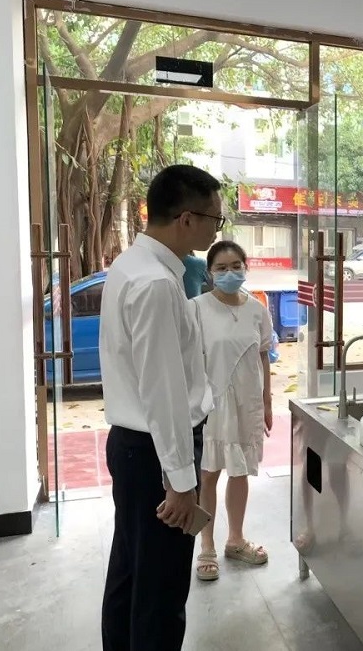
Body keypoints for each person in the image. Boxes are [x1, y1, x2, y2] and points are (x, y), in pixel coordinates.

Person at [99, 164, 222, 650]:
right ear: (186, 219)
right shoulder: (155, 283)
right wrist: (181, 482)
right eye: (215, 219)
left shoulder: (131, 265)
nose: (217, 230)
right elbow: (164, 390)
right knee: (161, 591)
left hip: (137, 448)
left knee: (131, 572)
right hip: (156, 451)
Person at [192, 240, 274, 581]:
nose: (230, 273)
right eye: (222, 268)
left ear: (245, 267)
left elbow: (263, 355)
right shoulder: (197, 308)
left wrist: (267, 401)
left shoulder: (257, 308)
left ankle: (236, 540)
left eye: (236, 266)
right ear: (210, 273)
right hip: (211, 404)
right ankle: (206, 546)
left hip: (247, 402)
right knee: (208, 474)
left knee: (240, 472)